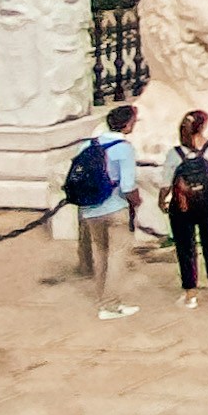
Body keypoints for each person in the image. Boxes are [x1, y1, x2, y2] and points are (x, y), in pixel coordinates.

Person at [66, 101, 139, 317]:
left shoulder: (87, 146)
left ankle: (102, 301)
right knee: (117, 256)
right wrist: (136, 202)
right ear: (127, 125)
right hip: (115, 207)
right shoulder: (124, 149)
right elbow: (128, 186)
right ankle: (111, 304)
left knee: (100, 254)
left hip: (90, 209)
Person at [162, 110, 208, 307]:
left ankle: (190, 295)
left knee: (185, 248)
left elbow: (166, 184)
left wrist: (162, 201)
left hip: (182, 206)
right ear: (203, 127)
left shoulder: (174, 154)